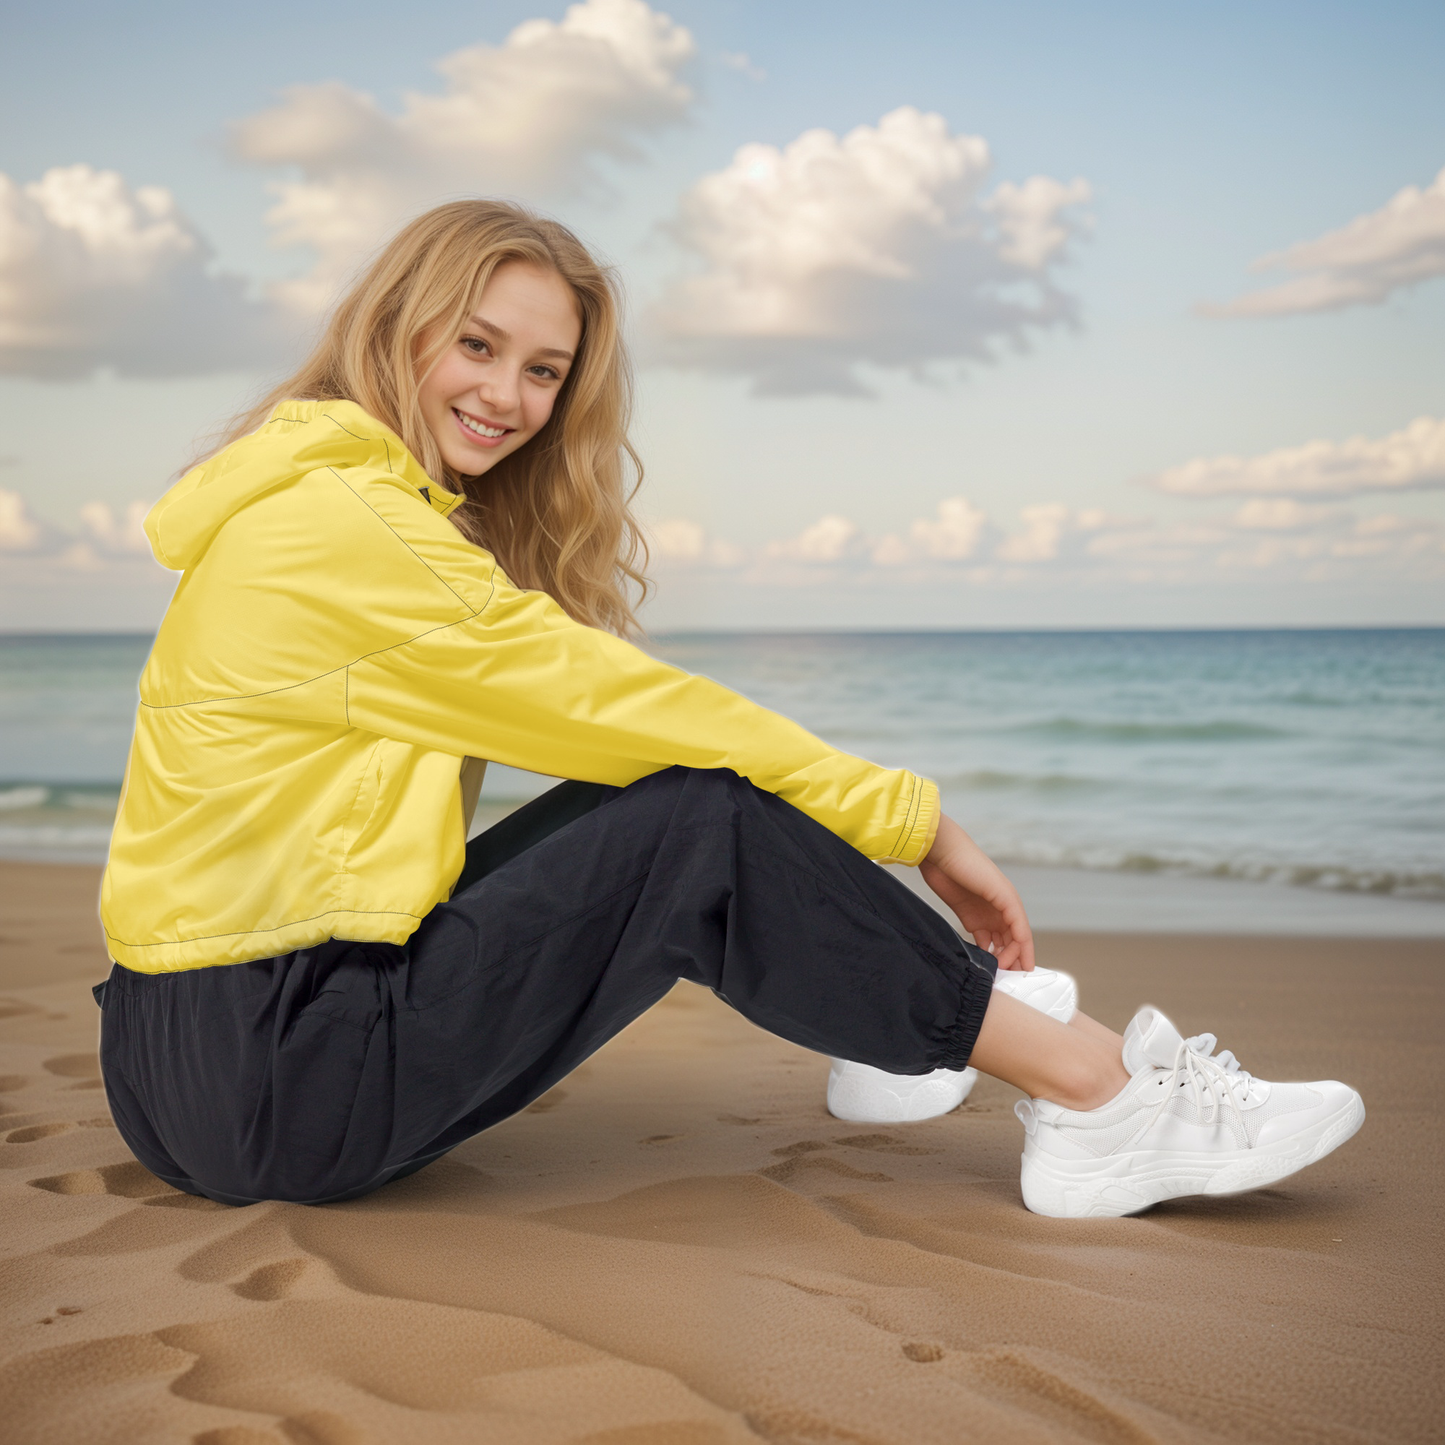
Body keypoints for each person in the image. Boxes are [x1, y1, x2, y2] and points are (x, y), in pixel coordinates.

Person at [95, 200, 1364, 1219]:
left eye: (544, 369)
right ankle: (1097, 1097)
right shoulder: (347, 529)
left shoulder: (308, 506)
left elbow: (619, 734)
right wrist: (916, 826)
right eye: (475, 345)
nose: (509, 397)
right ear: (393, 326)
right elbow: (625, 701)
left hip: (189, 1065)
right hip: (278, 1076)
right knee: (696, 811)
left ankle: (898, 1019)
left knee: (663, 794)